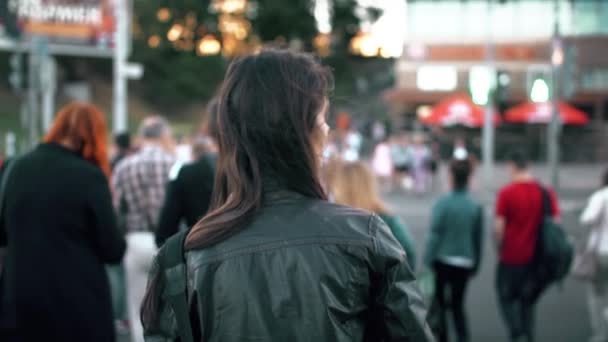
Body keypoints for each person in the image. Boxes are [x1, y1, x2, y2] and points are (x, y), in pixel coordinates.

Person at [141, 50, 433, 341]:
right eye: (321, 118)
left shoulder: (180, 258)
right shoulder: (366, 237)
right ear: (301, 133)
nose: (328, 129)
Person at [0, 102, 126, 341]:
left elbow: (3, 232)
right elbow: (112, 249)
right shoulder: (89, 176)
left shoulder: (16, 167)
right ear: (94, 136)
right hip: (76, 304)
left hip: (19, 300)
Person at [112, 116, 175, 342]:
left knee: (138, 308)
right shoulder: (174, 162)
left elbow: (118, 210)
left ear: (142, 137)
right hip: (170, 241)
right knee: (173, 307)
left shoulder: (124, 166)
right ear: (163, 136)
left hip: (136, 238)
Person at [495, 151, 560, 342]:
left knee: (506, 297)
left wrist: (499, 249)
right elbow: (555, 223)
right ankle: (527, 334)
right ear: (529, 165)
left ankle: (516, 331)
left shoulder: (507, 193)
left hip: (512, 257)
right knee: (528, 301)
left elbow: (499, 228)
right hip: (537, 259)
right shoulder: (546, 192)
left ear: (512, 166)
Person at [424, 159, 483, 342]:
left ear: (450, 178)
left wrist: (428, 259)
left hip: (442, 259)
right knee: (458, 304)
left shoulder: (442, 203)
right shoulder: (475, 206)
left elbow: (435, 234)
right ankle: (463, 336)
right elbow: (477, 239)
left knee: (440, 303)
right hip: (465, 260)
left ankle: (443, 337)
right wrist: (476, 263)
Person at [331, 161, 417, 268]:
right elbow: (408, 253)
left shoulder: (331, 221)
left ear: (339, 187)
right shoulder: (386, 219)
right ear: (370, 185)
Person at [155, 134, 217, 247]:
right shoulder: (237, 171)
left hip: (198, 245)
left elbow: (166, 227)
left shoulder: (185, 174)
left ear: (192, 154)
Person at [580, 169, 608, 342]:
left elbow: (586, 219)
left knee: (597, 294)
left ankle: (600, 335)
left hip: (601, 252)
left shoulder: (600, 197)